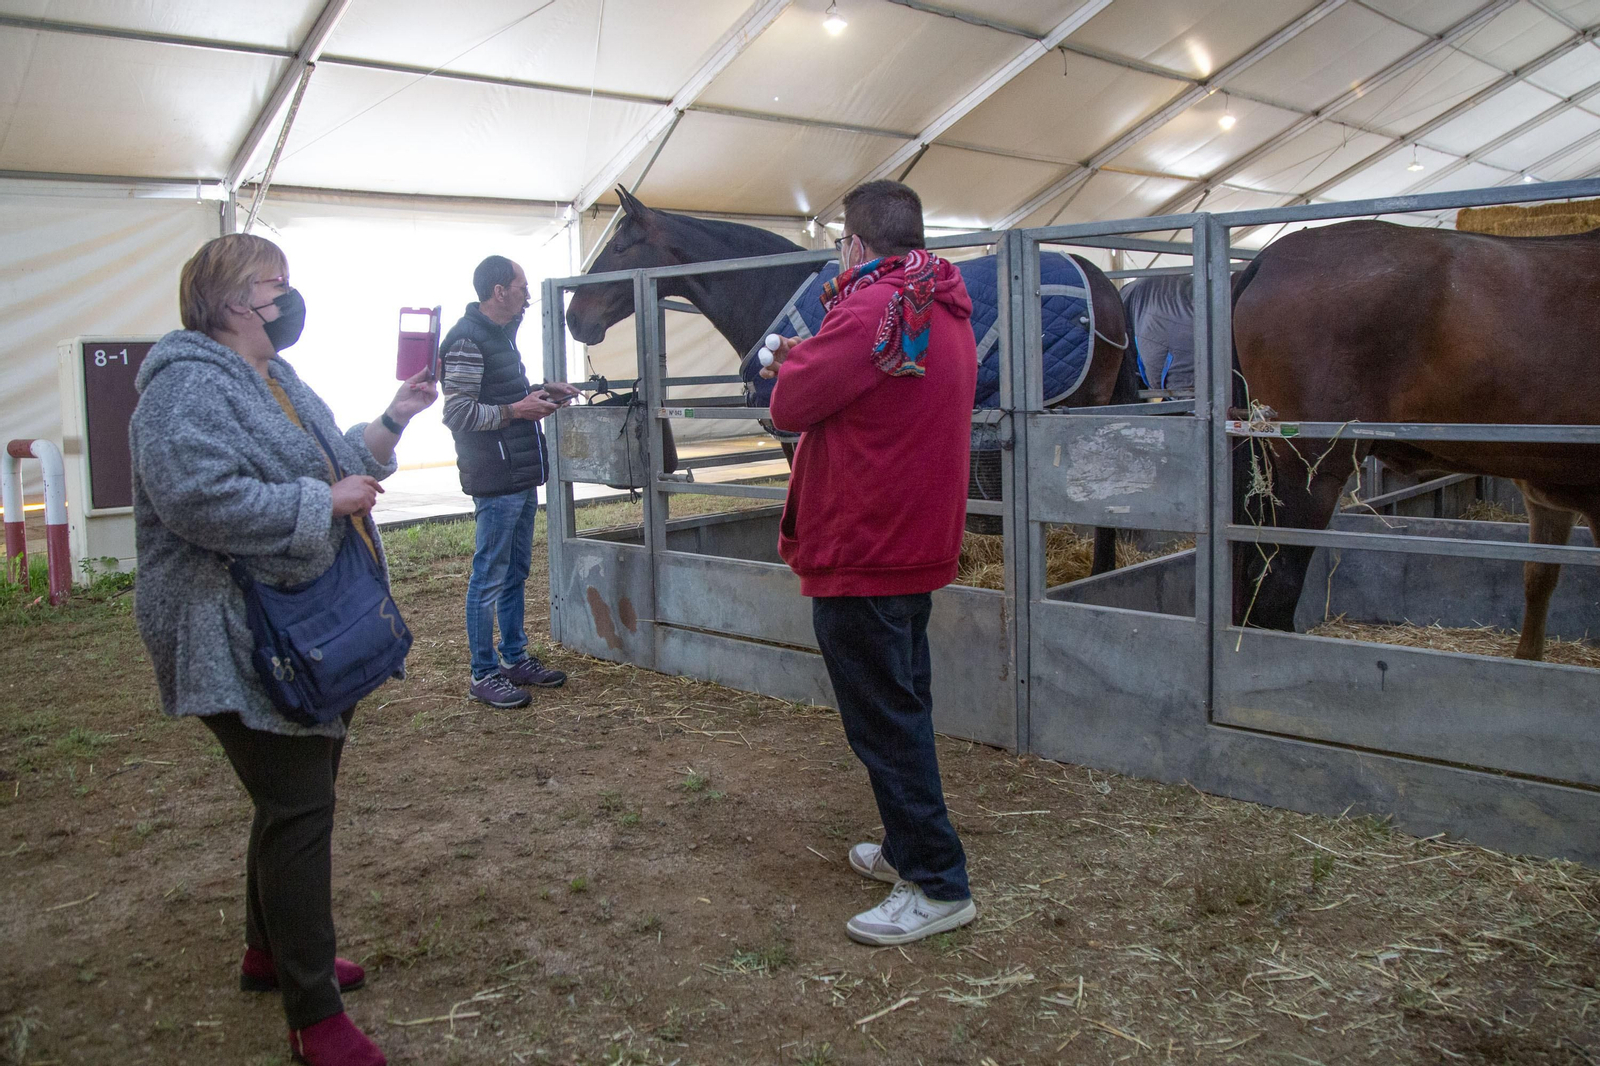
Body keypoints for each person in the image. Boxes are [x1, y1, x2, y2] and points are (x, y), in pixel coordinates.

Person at [130, 233, 437, 1066]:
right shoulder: (186, 385)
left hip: (294, 623)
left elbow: (340, 461)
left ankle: (267, 954)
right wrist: (320, 504)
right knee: (299, 805)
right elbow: (195, 499)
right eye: (278, 284)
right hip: (229, 628)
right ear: (234, 300)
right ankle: (314, 1016)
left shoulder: (277, 377)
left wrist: (395, 417)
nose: (290, 298)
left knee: (291, 797)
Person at [763, 180, 979, 946]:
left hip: (865, 544)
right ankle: (904, 845)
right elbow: (870, 384)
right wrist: (815, 360)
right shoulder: (937, 304)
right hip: (911, 542)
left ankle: (937, 882)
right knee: (904, 703)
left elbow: (789, 407)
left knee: (884, 722)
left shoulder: (867, 310)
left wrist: (796, 365)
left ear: (855, 245)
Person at [440, 256, 577, 708]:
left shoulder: (498, 335)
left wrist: (543, 393)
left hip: (519, 473)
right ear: (499, 291)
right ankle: (483, 673)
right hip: (495, 477)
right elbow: (457, 413)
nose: (527, 295)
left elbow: (499, 394)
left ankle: (514, 657)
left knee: (515, 571)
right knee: (489, 577)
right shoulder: (467, 339)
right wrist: (518, 410)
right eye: (521, 287)